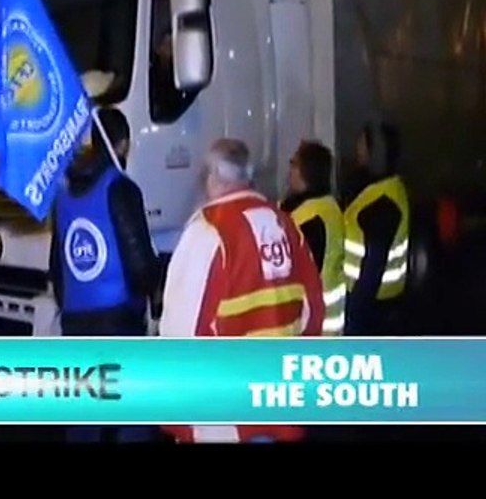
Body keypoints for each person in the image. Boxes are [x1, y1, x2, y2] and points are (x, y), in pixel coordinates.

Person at [158, 138, 324, 443]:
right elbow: (313, 310)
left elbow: (181, 328)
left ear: (212, 177)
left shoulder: (207, 232)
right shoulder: (285, 224)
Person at [48, 106, 161, 443]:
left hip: (76, 320)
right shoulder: (121, 188)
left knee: (84, 415)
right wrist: (154, 288)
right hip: (119, 319)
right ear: (123, 144)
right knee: (130, 414)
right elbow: (139, 263)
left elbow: (58, 263)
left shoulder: (64, 193)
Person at [342, 121, 410, 336]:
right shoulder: (378, 188)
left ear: (376, 153)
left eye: (362, 145)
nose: (357, 150)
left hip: (372, 309)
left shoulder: (383, 202)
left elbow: (372, 269)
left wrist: (353, 319)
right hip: (373, 305)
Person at [280, 140, 347, 336]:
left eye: (293, 164)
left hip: (315, 327)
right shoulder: (326, 206)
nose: (289, 171)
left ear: (304, 172)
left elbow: (297, 278)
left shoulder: (311, 219)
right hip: (322, 324)